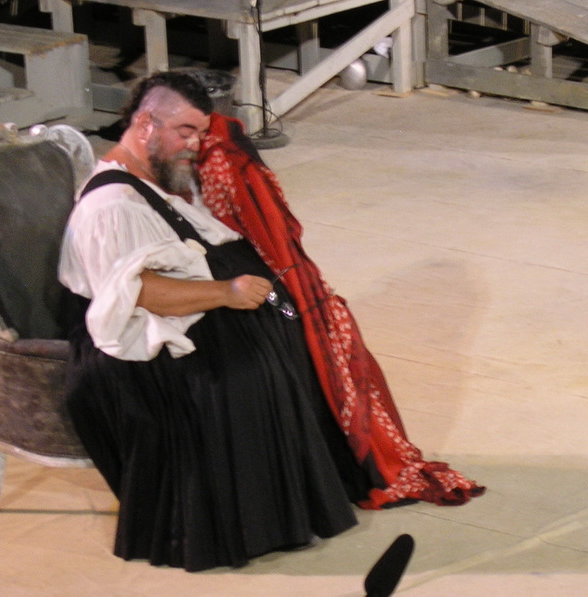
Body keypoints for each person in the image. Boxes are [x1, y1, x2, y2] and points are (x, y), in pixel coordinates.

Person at [59, 71, 483, 572]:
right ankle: (250, 523)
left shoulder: (152, 176)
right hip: (133, 348)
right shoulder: (111, 206)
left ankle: (311, 488)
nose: (195, 145)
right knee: (245, 373)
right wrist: (227, 293)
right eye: (186, 132)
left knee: (299, 337)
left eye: (200, 132)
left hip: (188, 310)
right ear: (146, 124)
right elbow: (139, 294)